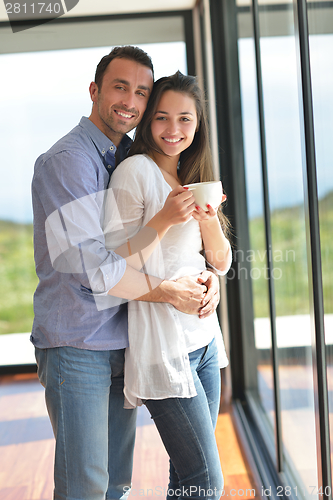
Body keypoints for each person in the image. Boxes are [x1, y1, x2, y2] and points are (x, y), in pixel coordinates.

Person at [31, 46, 221, 500]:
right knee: (86, 486)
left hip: (123, 337)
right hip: (78, 343)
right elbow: (91, 267)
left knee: (116, 484)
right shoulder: (67, 161)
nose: (130, 101)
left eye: (140, 91)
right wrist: (170, 294)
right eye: (120, 87)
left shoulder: (124, 156)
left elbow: (163, 250)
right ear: (95, 90)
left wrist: (209, 271)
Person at [103, 71, 232, 500]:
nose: (173, 130)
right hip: (164, 347)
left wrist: (212, 269)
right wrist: (164, 220)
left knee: (187, 474)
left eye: (185, 119)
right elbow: (115, 262)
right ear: (147, 122)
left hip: (205, 341)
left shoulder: (192, 176)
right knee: (207, 481)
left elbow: (221, 260)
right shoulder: (134, 171)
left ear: (198, 126)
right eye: (161, 118)